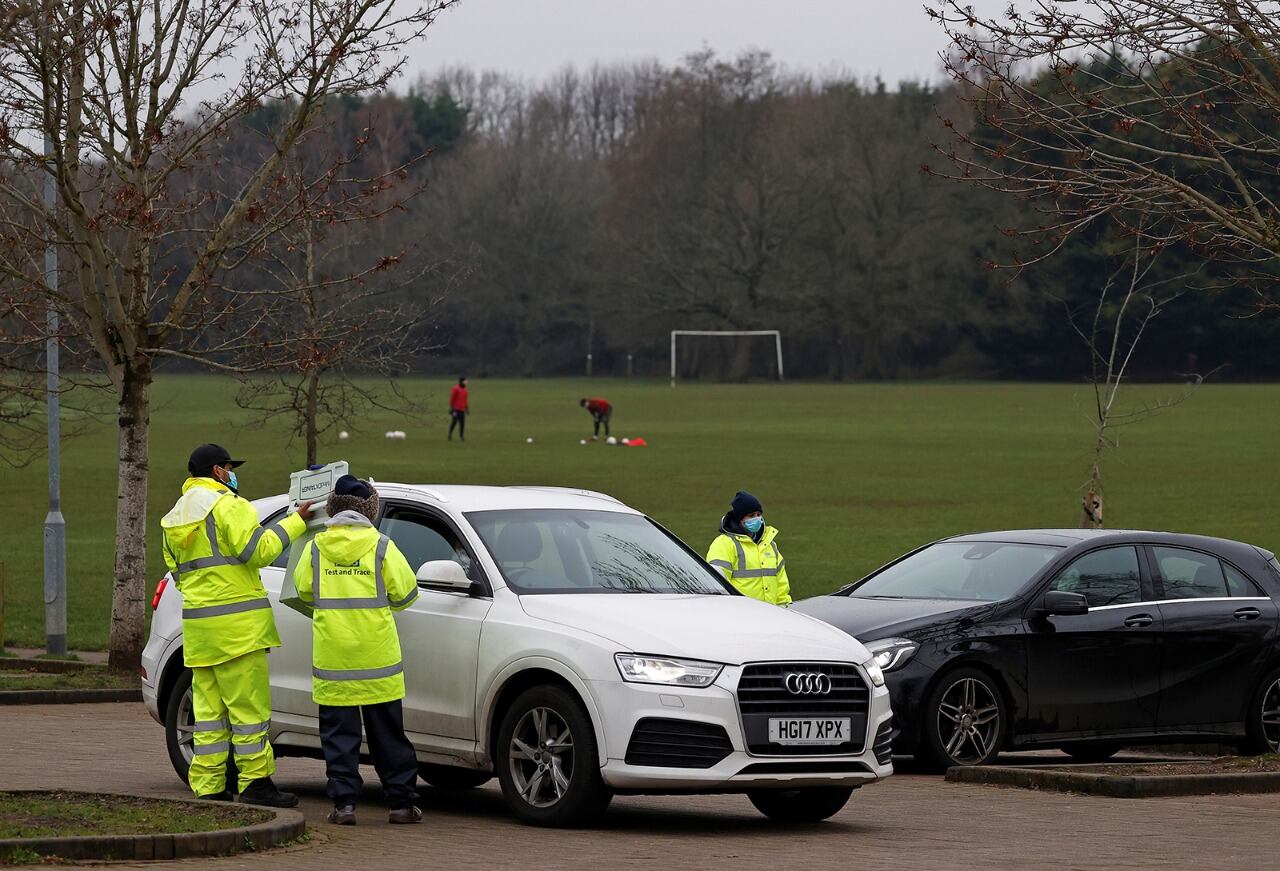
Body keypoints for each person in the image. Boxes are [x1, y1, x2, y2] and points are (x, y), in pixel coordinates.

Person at [160, 444, 313, 806]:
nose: (232, 473)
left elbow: (181, 576)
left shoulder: (174, 518)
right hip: (240, 631)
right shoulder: (230, 506)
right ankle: (255, 783)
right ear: (216, 471)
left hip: (200, 632)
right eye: (229, 467)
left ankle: (209, 785)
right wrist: (297, 522)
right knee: (249, 713)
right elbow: (258, 550)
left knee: (209, 715)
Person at [293, 475, 424, 825]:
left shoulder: (316, 548)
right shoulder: (382, 546)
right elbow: (407, 595)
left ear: (334, 507)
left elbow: (304, 590)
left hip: (333, 660)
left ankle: (345, 805)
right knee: (389, 736)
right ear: (370, 509)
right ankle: (400, 804)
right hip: (378, 659)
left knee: (339, 739)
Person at [706, 490, 792, 606]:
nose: (756, 519)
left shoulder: (770, 545)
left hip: (770, 616)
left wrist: (784, 609)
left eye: (758, 514)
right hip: (740, 617)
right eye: (751, 516)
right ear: (739, 519)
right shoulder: (724, 544)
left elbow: (781, 585)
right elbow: (717, 584)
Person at [448, 376, 469, 441]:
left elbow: (465, 401)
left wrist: (467, 409)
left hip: (462, 410)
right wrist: (451, 408)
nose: (467, 382)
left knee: (462, 424)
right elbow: (452, 399)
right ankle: (450, 434)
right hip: (455, 409)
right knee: (454, 422)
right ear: (462, 381)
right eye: (465, 381)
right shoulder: (456, 389)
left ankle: (461, 436)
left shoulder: (465, 390)